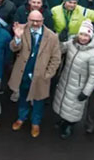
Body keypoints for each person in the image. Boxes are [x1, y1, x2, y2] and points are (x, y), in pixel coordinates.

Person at [9, 10, 62, 138]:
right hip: (23, 73)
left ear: (43, 20)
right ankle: (22, 117)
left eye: (38, 21)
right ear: (28, 19)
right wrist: (17, 37)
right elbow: (13, 48)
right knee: (23, 97)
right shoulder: (22, 30)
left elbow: (56, 58)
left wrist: (48, 74)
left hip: (40, 76)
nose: (35, 23)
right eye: (32, 20)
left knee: (39, 100)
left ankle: (35, 123)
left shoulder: (52, 37)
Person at [53, 20, 94, 139]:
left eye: (86, 35)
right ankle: (63, 120)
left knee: (74, 107)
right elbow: (60, 49)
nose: (83, 38)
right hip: (66, 79)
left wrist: (86, 92)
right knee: (63, 102)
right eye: (82, 34)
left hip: (79, 85)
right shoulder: (72, 43)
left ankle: (69, 125)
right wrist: (61, 40)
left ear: (90, 37)